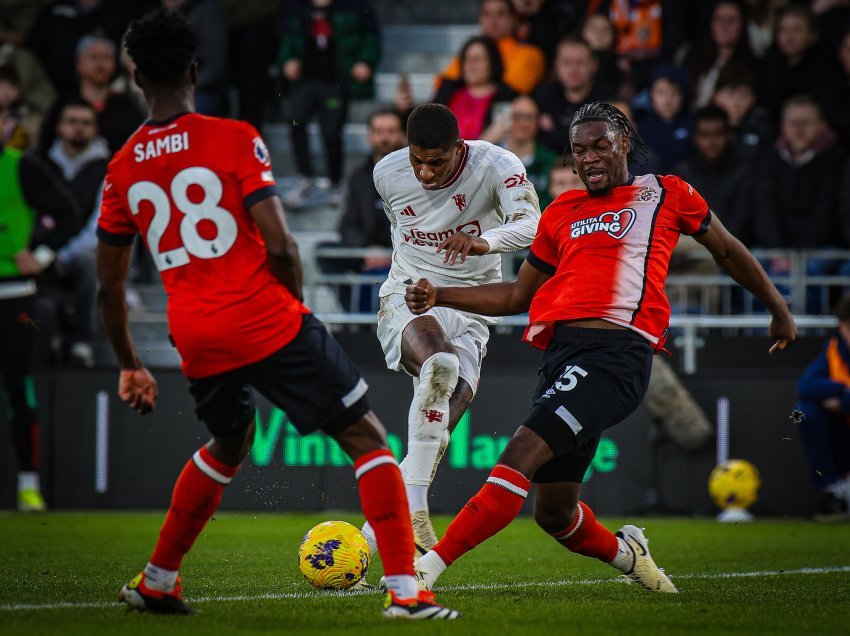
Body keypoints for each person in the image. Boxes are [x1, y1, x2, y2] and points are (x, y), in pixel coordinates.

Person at [96, 10, 457, 619]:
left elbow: (108, 288)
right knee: (367, 438)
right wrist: (290, 313)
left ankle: (159, 578)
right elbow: (282, 244)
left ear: (133, 74)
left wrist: (131, 364)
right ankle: (405, 592)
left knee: (227, 443)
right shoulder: (233, 137)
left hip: (195, 332)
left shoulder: (123, 166)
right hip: (263, 318)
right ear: (194, 68)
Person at [404, 101, 797, 592]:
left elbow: (727, 250)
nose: (587, 158)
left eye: (599, 146)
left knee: (519, 453)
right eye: (577, 150)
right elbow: (516, 296)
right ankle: (630, 556)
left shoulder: (666, 193)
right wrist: (441, 295)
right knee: (555, 513)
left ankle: (427, 568)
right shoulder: (561, 212)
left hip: (615, 356)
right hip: (561, 357)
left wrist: (777, 307)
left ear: (624, 144)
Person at [360, 103, 541, 556]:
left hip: (472, 305)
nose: (423, 173)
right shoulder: (387, 173)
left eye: (436, 162)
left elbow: (535, 225)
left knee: (438, 431)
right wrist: (417, 280)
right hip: (411, 294)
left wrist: (486, 242)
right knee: (438, 364)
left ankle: (364, 543)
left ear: (459, 149)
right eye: (416, 159)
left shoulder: (497, 165)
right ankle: (418, 509)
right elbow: (403, 234)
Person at [0, 110, 77, 511]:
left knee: (19, 389)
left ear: (9, 123)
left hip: (14, 292)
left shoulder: (23, 167)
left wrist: (42, 256)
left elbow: (69, 212)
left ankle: (28, 486)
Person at [278, 0, 381, 209]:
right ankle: (305, 176)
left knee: (332, 131)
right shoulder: (296, 8)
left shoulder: (352, 7)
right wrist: (287, 60)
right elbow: (286, 39)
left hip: (335, 82)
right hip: (306, 82)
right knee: (296, 121)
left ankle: (335, 181)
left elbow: (371, 37)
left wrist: (364, 61)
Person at [40, 98, 109, 366]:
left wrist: (63, 256)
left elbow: (99, 226)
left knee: (92, 262)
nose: (78, 128)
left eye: (85, 123)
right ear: (59, 127)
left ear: (95, 129)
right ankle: (48, 339)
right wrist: (47, 254)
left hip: (81, 253)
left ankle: (82, 343)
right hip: (43, 253)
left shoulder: (107, 169)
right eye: (71, 121)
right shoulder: (39, 164)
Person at [316, 108, 405, 312]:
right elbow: (347, 225)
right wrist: (366, 249)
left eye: (391, 131)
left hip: (403, 255)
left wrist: (390, 253)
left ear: (402, 135)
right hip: (367, 252)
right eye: (379, 132)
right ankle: (354, 314)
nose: (384, 138)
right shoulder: (358, 177)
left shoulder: (417, 174)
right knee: (325, 252)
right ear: (369, 136)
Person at [795, 293, 850, 521]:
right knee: (804, 412)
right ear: (842, 327)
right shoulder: (834, 350)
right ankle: (833, 491)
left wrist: (845, 401)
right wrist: (841, 390)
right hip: (843, 435)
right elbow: (805, 385)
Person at [438, 0, 546, 96]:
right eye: (487, 14)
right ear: (480, 19)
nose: (493, 21)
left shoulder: (530, 54)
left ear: (514, 19)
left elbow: (508, 92)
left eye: (501, 14)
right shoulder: (471, 51)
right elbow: (443, 86)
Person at [433, 36, 516, 142]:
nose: (470, 64)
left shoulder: (507, 96)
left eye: (477, 59)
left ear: (492, 62)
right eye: (466, 59)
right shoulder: (448, 90)